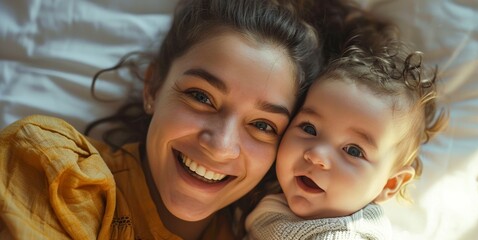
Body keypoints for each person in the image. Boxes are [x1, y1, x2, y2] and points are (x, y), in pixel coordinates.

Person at [0, 0, 324, 239]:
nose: (221, 146)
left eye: (263, 125)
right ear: (153, 87)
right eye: (201, 97)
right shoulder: (54, 168)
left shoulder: (262, 233)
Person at [244, 18, 449, 240]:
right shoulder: (273, 196)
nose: (316, 155)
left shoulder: (342, 235)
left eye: (353, 150)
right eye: (309, 129)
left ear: (389, 184)